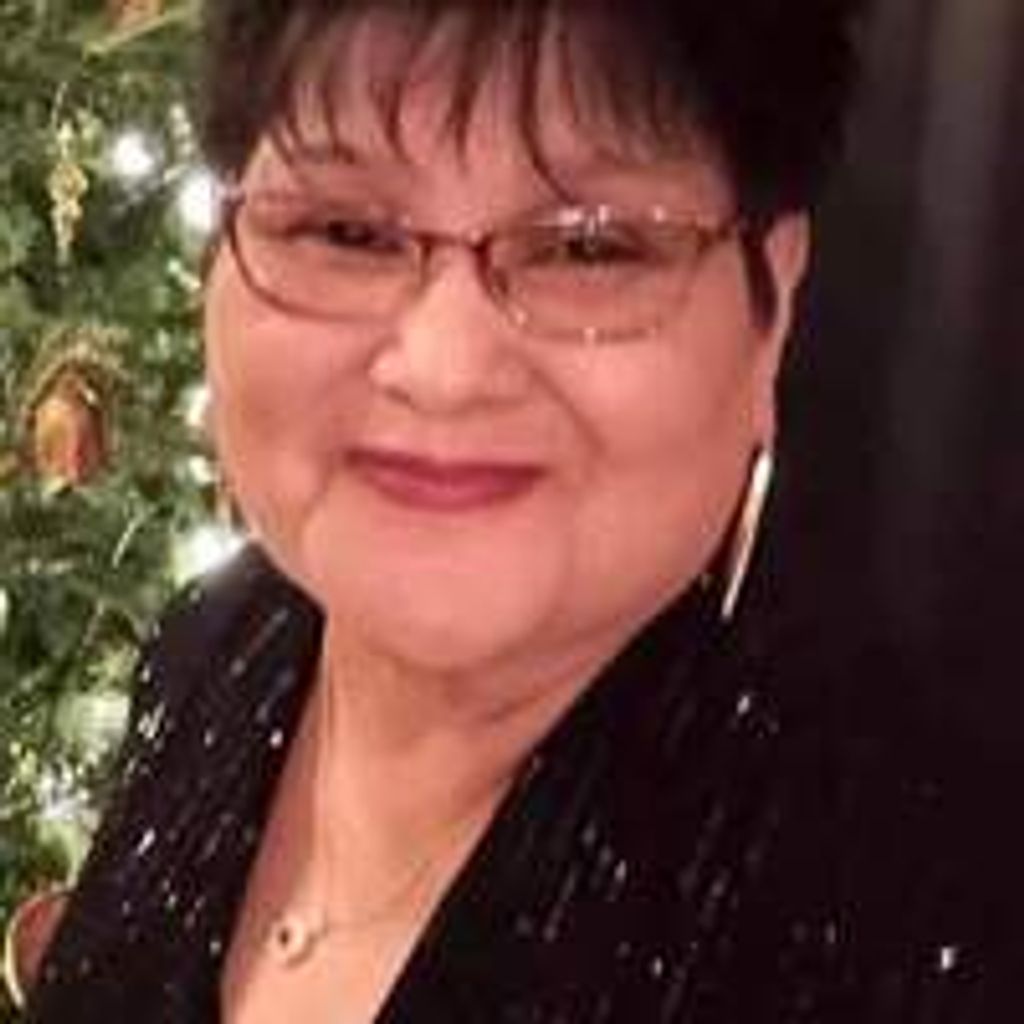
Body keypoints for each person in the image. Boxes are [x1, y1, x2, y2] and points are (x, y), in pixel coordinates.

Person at [17, 0, 1024, 1021]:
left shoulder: (909, 908)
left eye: (591, 249)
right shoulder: (214, 645)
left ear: (776, 302)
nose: (444, 369)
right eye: (345, 231)